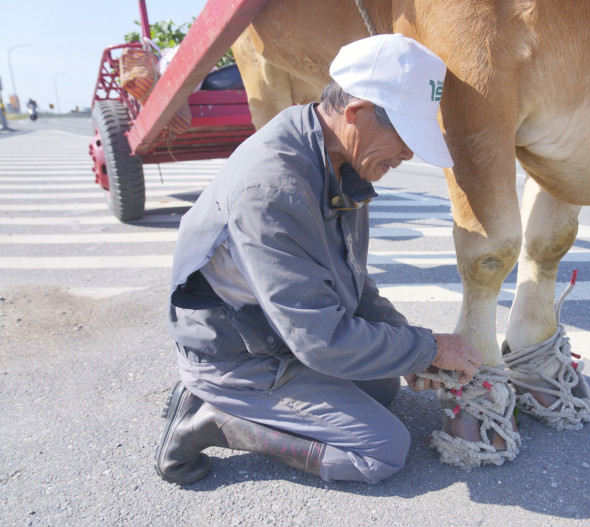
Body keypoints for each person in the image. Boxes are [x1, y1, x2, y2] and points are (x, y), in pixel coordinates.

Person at [155, 34, 483, 485]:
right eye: (406, 136)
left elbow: (355, 282)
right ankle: (211, 418)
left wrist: (413, 350)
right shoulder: (273, 189)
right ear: (357, 112)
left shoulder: (334, 154)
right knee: (383, 451)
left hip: (279, 332)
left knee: (383, 384)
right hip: (238, 354)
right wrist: (429, 347)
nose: (409, 154)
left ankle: (250, 403)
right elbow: (320, 340)